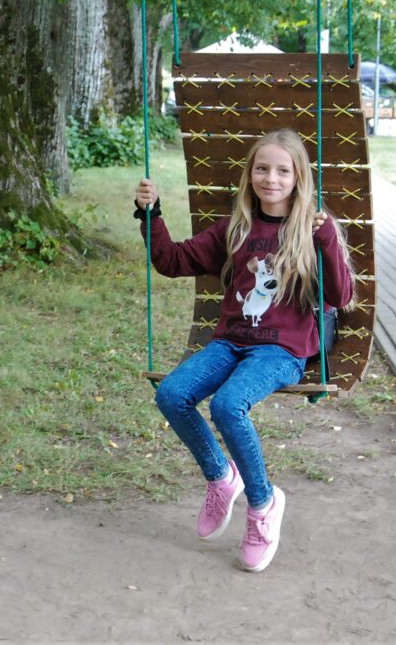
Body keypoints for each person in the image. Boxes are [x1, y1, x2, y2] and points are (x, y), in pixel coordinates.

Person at [134, 129, 355, 573]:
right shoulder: (236, 228)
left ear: (299, 177)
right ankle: (221, 477)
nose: (271, 178)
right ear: (249, 174)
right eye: (262, 168)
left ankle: (263, 504)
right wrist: (150, 213)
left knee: (229, 404)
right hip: (231, 341)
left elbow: (341, 295)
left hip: (282, 350)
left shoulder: (312, 230)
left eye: (282, 170)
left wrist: (328, 239)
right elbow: (172, 261)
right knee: (172, 394)